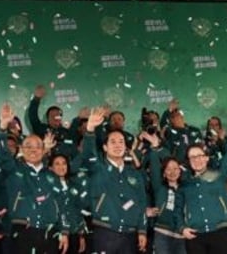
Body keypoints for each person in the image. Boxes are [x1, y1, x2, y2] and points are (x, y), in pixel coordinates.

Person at [0, 103, 69, 253]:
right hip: (21, 232)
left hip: (50, 234)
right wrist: (2, 127)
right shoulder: (13, 169)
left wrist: (65, 231)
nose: (33, 150)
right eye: (28, 146)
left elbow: (62, 204)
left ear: (44, 150)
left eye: (37, 147)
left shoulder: (52, 176)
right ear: (21, 149)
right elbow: (1, 153)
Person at [177, 110, 227, 254]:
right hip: (194, 236)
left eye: (200, 156)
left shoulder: (219, 176)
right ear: (189, 162)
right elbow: (177, 210)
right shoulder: (185, 184)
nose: (197, 160)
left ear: (207, 158)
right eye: (192, 158)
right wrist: (182, 228)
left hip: (219, 233)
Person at [81, 106, 149, 253]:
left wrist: (142, 230)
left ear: (126, 147)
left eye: (121, 142)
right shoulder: (98, 169)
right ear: (105, 147)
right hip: (106, 233)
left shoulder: (135, 174)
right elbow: (88, 155)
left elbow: (142, 203)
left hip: (130, 235)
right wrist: (90, 130)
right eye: (113, 142)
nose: (118, 145)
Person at [144, 131, 186, 254]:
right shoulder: (159, 187)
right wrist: (155, 148)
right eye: (168, 169)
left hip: (181, 234)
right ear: (164, 173)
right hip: (161, 232)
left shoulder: (186, 189)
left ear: (180, 171)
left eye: (175, 168)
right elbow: (155, 165)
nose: (172, 172)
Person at [49, 153, 88, 254]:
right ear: (51, 168)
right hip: (56, 234)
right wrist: (62, 232)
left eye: (64, 163)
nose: (61, 166)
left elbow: (78, 211)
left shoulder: (74, 186)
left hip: (74, 234)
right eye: (57, 164)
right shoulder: (48, 186)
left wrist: (81, 234)